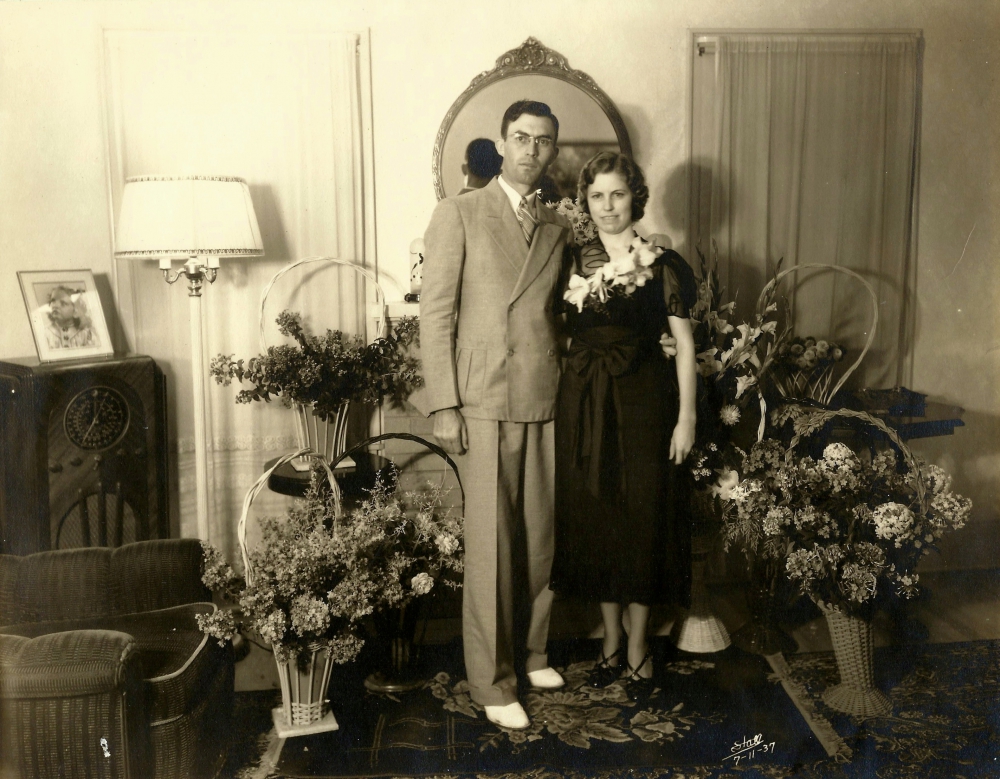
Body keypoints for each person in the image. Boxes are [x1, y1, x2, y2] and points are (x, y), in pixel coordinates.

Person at [419, 100, 572, 730]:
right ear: (502, 145)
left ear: (551, 152)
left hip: (543, 390)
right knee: (491, 545)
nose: (531, 150)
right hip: (480, 398)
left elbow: (560, 315)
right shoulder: (459, 212)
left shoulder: (559, 227)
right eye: (521, 138)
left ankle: (533, 651)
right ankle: (490, 680)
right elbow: (435, 314)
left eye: (543, 141)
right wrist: (444, 402)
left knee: (540, 537)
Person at [550, 151, 698, 698]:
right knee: (597, 517)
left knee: (641, 518)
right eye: (596, 196)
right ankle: (609, 640)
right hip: (585, 400)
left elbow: (683, 345)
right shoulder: (570, 259)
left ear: (635, 196)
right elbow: (553, 330)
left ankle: (638, 646)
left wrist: (686, 419)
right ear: (585, 203)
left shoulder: (664, 262)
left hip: (644, 402)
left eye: (617, 194)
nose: (608, 207)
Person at [44, 285, 96, 349]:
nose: (55, 306)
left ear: (76, 310)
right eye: (53, 301)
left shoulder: (85, 333)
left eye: (63, 303)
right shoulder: (47, 332)